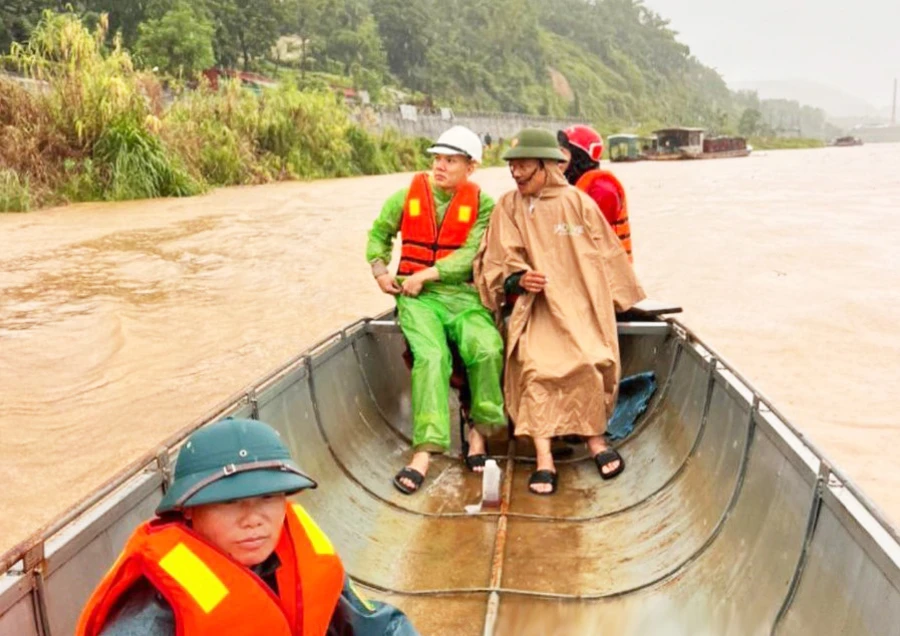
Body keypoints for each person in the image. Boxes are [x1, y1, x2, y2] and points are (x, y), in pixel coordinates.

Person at [77, 418, 418, 635]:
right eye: (228, 501)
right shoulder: (154, 609)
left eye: (268, 497)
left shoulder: (299, 556)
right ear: (189, 511)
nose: (253, 518)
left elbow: (379, 626)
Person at [474, 128, 646, 496]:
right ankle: (544, 460)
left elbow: (607, 254)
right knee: (535, 367)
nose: (517, 174)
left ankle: (596, 441)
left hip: (579, 306)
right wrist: (517, 280)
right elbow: (497, 262)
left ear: (547, 166)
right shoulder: (509, 206)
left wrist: (621, 299)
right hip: (535, 310)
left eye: (524, 167)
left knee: (589, 358)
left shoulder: (578, 204)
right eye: (513, 168)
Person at [365, 125, 506, 495]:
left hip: (462, 296)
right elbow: (379, 233)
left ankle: (480, 432)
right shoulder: (405, 197)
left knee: (487, 347)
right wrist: (380, 271)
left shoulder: (485, 205)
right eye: (436, 159)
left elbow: (470, 255)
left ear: (470, 167)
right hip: (418, 299)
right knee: (430, 355)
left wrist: (428, 273)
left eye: (450, 160)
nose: (440, 166)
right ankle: (424, 452)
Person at [557, 125, 633, 261]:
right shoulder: (576, 186)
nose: (557, 159)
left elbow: (589, 236)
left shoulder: (602, 190)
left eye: (563, 152)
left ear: (578, 157)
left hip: (609, 273)